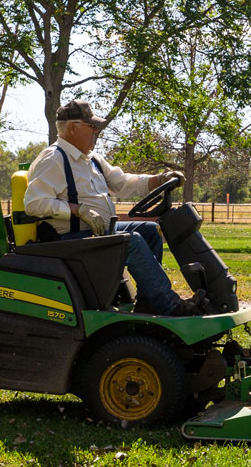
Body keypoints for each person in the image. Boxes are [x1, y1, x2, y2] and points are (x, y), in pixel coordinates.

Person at [23, 100, 200, 315]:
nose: (95, 131)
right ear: (73, 127)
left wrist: (160, 178)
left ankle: (149, 300)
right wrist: (77, 209)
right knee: (131, 241)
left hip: (95, 235)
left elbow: (121, 183)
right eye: (92, 126)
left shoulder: (91, 159)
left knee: (149, 231)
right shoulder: (53, 159)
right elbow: (33, 203)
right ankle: (170, 305)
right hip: (71, 241)